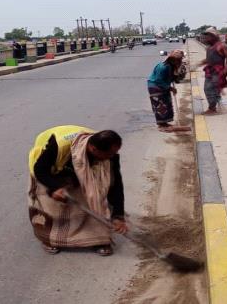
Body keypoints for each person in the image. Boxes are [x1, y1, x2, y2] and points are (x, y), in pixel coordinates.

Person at [28, 126, 128, 256]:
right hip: (48, 167)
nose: (112, 157)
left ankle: (99, 238)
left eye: (114, 153)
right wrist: (55, 187)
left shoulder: (110, 154)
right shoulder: (59, 146)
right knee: (49, 203)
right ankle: (49, 239)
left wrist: (118, 215)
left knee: (94, 195)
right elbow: (40, 170)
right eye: (108, 155)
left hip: (75, 166)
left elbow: (115, 184)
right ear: (93, 149)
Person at [147, 50, 189, 132]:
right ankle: (161, 125)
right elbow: (159, 80)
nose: (179, 61)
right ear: (172, 59)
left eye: (179, 59)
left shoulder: (171, 66)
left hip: (163, 86)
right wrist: (170, 88)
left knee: (167, 103)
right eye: (178, 60)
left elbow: (173, 78)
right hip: (155, 86)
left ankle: (165, 123)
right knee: (161, 105)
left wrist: (176, 76)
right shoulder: (163, 67)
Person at [196, 27, 227, 115]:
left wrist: (226, 68)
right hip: (210, 70)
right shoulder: (209, 47)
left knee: (213, 89)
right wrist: (200, 63)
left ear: (213, 36)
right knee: (207, 88)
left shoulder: (222, 46)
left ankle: (212, 108)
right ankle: (214, 106)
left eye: (208, 36)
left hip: (218, 70)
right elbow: (209, 59)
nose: (206, 38)